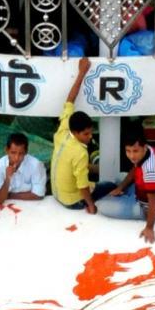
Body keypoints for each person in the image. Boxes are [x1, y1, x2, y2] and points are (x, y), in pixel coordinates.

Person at [50, 60, 97, 212]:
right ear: (76, 132)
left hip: (55, 193)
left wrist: (82, 72)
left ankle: (96, 169)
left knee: (91, 171)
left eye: (91, 132)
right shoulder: (81, 153)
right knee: (109, 186)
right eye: (86, 134)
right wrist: (91, 205)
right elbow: (83, 186)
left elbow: (70, 100)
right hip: (71, 202)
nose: (90, 137)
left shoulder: (63, 130)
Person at [0, 132, 49, 206]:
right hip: (7, 207)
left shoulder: (36, 165)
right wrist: (7, 179)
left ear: (26, 152)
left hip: (32, 205)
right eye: (13, 153)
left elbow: (39, 194)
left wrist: (10, 195)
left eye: (21, 153)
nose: (16, 157)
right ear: (7, 150)